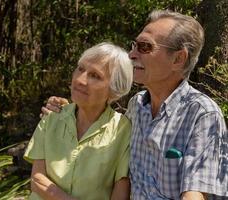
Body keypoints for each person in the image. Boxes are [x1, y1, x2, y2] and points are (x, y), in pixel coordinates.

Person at [41, 10, 228, 200]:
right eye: (134, 46)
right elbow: (100, 134)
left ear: (178, 59)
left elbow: (194, 196)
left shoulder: (202, 114)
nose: (131, 54)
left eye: (144, 47)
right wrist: (65, 110)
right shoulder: (136, 105)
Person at [24, 42, 134, 200]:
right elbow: (37, 179)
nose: (80, 80)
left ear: (114, 88)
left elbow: (120, 192)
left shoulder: (122, 130)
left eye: (95, 76)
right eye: (80, 69)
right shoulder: (53, 116)